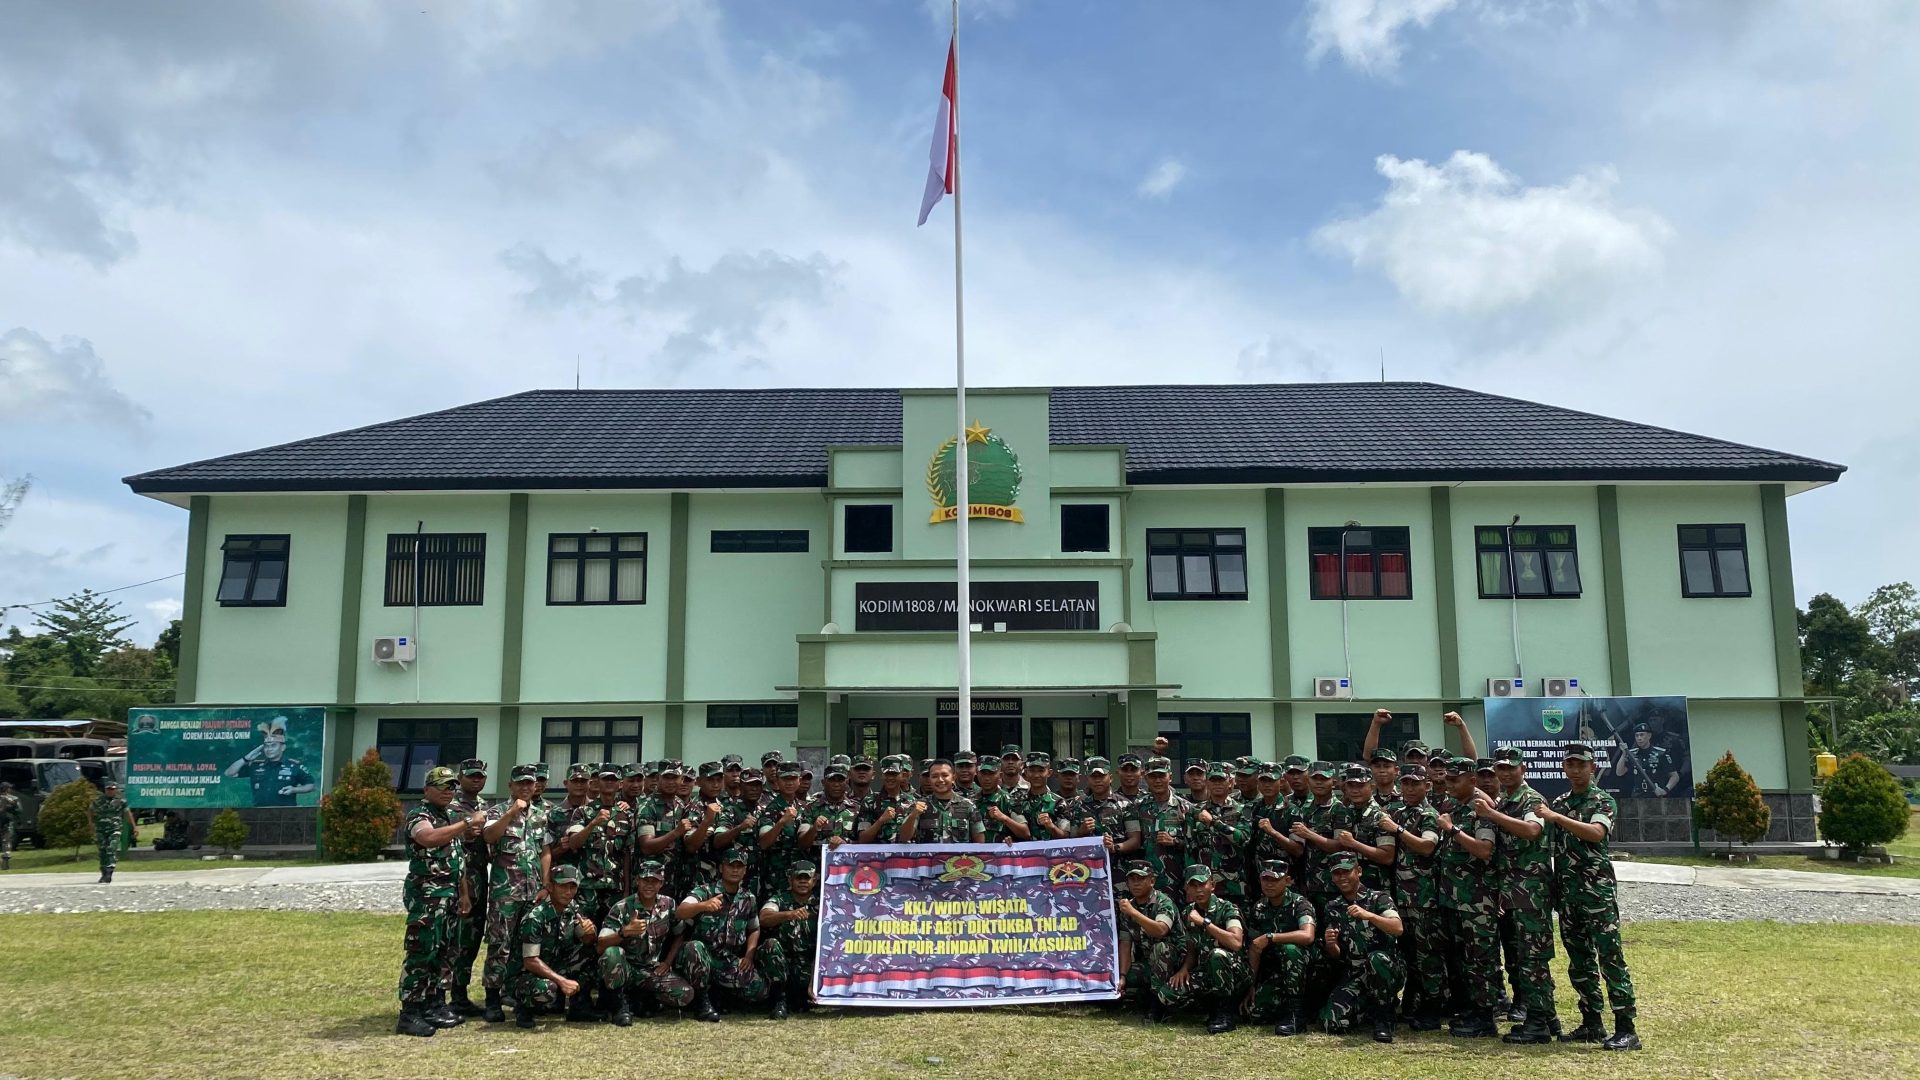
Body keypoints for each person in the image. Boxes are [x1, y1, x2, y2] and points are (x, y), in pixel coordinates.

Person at [1543, 743, 1641, 1050]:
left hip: (1596, 893)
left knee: (1610, 959)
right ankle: (1591, 1023)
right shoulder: (1560, 801)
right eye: (1569, 764)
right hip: (1569, 894)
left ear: (1592, 767)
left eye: (1580, 764)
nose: (1574, 770)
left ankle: (1627, 1027)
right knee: (1580, 962)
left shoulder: (1602, 800)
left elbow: (1596, 832)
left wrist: (1557, 819)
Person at [1479, 745, 1558, 1043]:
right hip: (1514, 891)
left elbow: (1531, 831)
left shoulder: (1531, 799)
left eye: (1511, 768)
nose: (1506, 772)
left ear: (1522, 770)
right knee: (1525, 957)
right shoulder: (1505, 801)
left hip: (1531, 891)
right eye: (1501, 768)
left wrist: (1491, 815)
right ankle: (1548, 1019)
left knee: (1533, 958)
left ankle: (1538, 1023)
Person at [396, 766, 483, 1037]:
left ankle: (433, 1004)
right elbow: (428, 838)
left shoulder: (448, 816)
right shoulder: (419, 815)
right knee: (423, 952)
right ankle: (410, 1012)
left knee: (445, 952)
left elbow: (458, 861)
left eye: (452, 787)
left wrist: (465, 894)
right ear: (427, 789)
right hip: (427, 897)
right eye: (442, 786)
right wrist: (466, 823)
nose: (448, 792)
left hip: (451, 897)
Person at [1434, 755, 1501, 1037]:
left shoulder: (1480, 809)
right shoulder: (1454, 806)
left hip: (1477, 900)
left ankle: (1486, 1016)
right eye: (1447, 778)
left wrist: (1452, 829)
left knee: (1481, 958)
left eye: (1455, 779)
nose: (1448, 784)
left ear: (1472, 781)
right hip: (1455, 898)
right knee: (1463, 958)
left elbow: (1485, 850)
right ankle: (1472, 1008)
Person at [480, 764, 550, 1023]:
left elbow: (545, 850)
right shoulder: (496, 811)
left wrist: (546, 884)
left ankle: (522, 1000)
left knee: (528, 948)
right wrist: (510, 813)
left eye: (529, 783)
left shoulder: (540, 815)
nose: (525, 787)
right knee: (500, 946)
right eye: (520, 783)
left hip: (532, 893)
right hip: (505, 892)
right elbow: (488, 837)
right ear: (510, 786)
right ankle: (492, 999)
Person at [1381, 763, 1445, 1030]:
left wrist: (1396, 830)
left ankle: (1433, 1007)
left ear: (1427, 786)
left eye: (1415, 783)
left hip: (1425, 898)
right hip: (1403, 896)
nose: (1409, 788)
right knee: (1408, 953)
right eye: (1405, 783)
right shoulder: (1399, 812)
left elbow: (1427, 847)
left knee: (1428, 955)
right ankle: (1413, 1002)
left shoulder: (1429, 815)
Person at [1320, 852, 1405, 1042]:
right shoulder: (1333, 906)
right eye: (1337, 873)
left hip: (1385, 969)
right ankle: (1367, 1008)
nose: (1342, 877)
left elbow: (1398, 928)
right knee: (1332, 1024)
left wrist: (1370, 916)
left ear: (1358, 871)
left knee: (1377, 959)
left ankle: (1384, 1017)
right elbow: (1336, 955)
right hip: (1356, 973)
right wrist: (1331, 943)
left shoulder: (1379, 898)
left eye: (1346, 872)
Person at [597, 859, 693, 1025]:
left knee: (685, 994)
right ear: (637, 881)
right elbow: (600, 946)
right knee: (612, 953)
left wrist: (668, 961)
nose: (649, 885)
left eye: (654, 881)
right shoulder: (621, 907)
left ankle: (643, 1000)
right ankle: (618, 1004)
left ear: (661, 883)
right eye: (645, 880)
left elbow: (679, 933)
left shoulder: (668, 904)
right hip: (625, 968)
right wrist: (624, 932)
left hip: (650, 970)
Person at [675, 847, 768, 1017]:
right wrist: (703, 906)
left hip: (726, 959)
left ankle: (723, 994)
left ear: (745, 870)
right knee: (694, 947)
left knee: (759, 989)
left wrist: (748, 955)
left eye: (739, 866)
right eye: (730, 865)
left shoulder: (749, 898)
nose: (735, 870)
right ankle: (702, 1002)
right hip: (701, 957)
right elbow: (681, 911)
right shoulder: (704, 891)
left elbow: (754, 928)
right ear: (721, 868)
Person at [511, 864, 600, 1028]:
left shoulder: (573, 909)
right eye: (563, 886)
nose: (568, 892)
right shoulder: (535, 917)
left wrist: (590, 933)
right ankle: (525, 1008)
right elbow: (530, 961)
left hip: (555, 965)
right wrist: (562, 982)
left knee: (592, 954)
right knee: (546, 989)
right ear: (551, 887)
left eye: (572, 886)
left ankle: (578, 1007)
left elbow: (588, 942)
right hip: (526, 975)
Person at [1165, 865, 1248, 1034]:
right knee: (1168, 995)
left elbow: (1236, 942)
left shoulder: (1228, 909)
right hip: (1206, 971)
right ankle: (1210, 1007)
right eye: (1193, 886)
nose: (1198, 890)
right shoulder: (1188, 912)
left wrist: (1204, 922)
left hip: (1235, 973)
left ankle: (1225, 1014)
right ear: (1186, 888)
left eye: (1202, 885)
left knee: (1217, 955)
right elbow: (1192, 947)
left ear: (1212, 885)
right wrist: (1185, 969)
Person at [1244, 860, 1316, 1036]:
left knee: (1290, 949)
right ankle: (1292, 1006)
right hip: (1277, 971)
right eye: (1265, 879)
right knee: (1253, 1013)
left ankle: (1296, 1016)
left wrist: (1272, 937)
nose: (1269, 884)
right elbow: (1255, 947)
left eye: (1275, 879)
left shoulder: (1300, 904)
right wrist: (1251, 985)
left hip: (1305, 969)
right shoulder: (1259, 908)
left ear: (1288, 880)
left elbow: (1307, 935)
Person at [1114, 858, 1182, 1021]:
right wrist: (1122, 976)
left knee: (1161, 948)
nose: (1136, 883)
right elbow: (1125, 943)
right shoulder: (1128, 907)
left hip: (1175, 965)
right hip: (1148, 963)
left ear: (1152, 881)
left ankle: (1158, 1006)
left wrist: (1134, 914)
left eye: (1141, 879)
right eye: (1132, 879)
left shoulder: (1163, 902)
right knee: (1122, 979)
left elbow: (1160, 930)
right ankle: (1145, 995)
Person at [449, 758, 490, 1017]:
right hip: (455, 881)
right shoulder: (450, 806)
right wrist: (463, 833)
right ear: (460, 778)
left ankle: (460, 994)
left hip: (478, 878)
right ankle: (442, 995)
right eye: (471, 776)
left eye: (480, 776)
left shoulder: (484, 806)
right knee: (454, 940)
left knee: (472, 939)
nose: (476, 780)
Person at [758, 862, 822, 1020]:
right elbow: (764, 917)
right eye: (798, 877)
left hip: (809, 964)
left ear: (814, 881)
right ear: (790, 880)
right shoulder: (779, 899)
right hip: (783, 963)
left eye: (807, 878)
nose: (802, 881)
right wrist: (788, 915)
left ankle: (802, 998)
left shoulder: (823, 902)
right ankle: (779, 1001)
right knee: (770, 945)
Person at [1187, 763, 1250, 918]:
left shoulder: (1242, 810)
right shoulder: (1196, 811)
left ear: (1230, 782)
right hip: (1203, 886)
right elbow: (1190, 848)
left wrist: (1214, 822)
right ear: (1207, 782)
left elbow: (1243, 839)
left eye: (1221, 780)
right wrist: (1188, 884)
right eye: (1213, 780)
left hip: (1234, 885)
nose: (1217, 784)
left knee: (1235, 929)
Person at [222, 716, 316, 807]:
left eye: (273, 746)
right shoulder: (256, 765)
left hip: (286, 814)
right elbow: (229, 773)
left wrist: (294, 789)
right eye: (267, 746)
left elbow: (311, 786)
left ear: (282, 747)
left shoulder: (294, 766)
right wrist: (246, 758)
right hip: (259, 814)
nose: (269, 749)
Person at [1136, 756, 1193, 900]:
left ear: (1170, 777)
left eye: (1161, 776)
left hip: (1177, 881)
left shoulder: (1186, 808)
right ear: (1145, 778)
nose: (1157, 780)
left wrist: (1175, 842)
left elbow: (1197, 844)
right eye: (1152, 776)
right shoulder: (1138, 807)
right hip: (1146, 881)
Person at [911, 760, 984, 843]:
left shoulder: (968, 806)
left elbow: (980, 843)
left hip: (959, 856)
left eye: (945, 775)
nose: (940, 780)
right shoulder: (920, 805)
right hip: (928, 856)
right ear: (930, 779)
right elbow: (904, 838)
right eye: (934, 776)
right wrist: (913, 815)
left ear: (953, 778)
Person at [1612, 722, 1681, 798]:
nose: (1639, 738)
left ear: (1649, 736)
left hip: (1656, 794)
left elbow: (1675, 776)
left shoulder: (1661, 753)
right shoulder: (1632, 753)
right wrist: (1624, 754)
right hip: (1637, 795)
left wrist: (1665, 790)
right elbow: (1619, 772)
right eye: (1637, 735)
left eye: (1642, 735)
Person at [91, 779, 136, 884]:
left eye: (112, 789)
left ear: (116, 790)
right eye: (108, 789)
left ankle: (109, 872)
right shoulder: (98, 801)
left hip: (114, 829)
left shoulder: (121, 801)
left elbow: (128, 813)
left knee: (112, 847)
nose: (110, 791)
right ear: (105, 790)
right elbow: (90, 810)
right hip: (101, 829)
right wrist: (91, 823)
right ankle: (103, 872)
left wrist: (134, 827)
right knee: (102, 850)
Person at [0, 781, 22, 869]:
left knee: (6, 841)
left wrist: (11, 806)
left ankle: (6, 860)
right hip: (5, 822)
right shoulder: (12, 798)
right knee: (6, 841)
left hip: (7, 823)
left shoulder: (13, 799)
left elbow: (19, 811)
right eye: (9, 788)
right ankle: (5, 860)